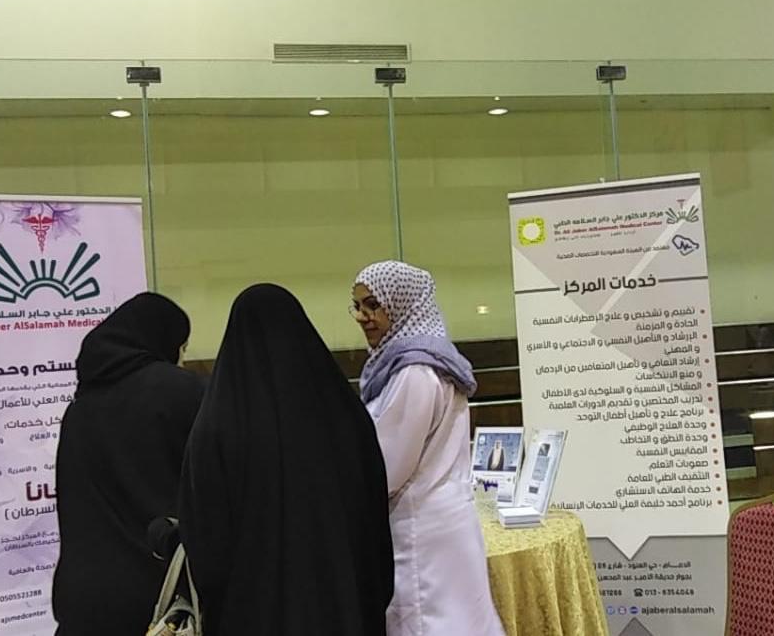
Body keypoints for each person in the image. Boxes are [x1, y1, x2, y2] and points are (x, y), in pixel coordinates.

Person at [178, 284, 395, 636]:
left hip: (252, 615)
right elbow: (373, 520)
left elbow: (206, 543)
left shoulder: (218, 427)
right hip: (345, 607)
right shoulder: (346, 416)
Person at [352, 261, 505, 636]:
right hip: (445, 517)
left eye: (373, 305)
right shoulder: (431, 362)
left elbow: (387, 466)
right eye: (357, 306)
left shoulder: (415, 372)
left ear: (403, 303)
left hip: (421, 526)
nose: (362, 317)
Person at [52, 292, 204, 636]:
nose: (181, 360)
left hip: (82, 595)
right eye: (181, 348)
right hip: (161, 597)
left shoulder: (78, 410)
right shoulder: (184, 392)